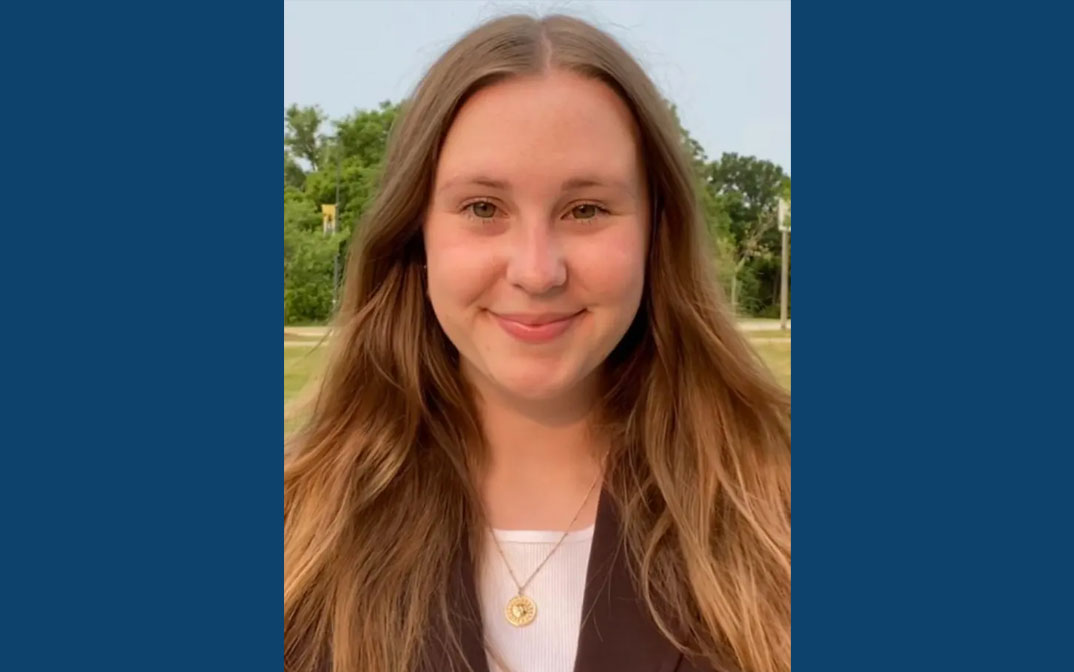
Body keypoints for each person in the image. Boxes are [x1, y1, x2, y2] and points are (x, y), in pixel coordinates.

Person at [284, 13, 790, 672]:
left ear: (655, 233)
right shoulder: (297, 531)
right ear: (415, 234)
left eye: (585, 210)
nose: (536, 270)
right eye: (483, 209)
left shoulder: (779, 512)